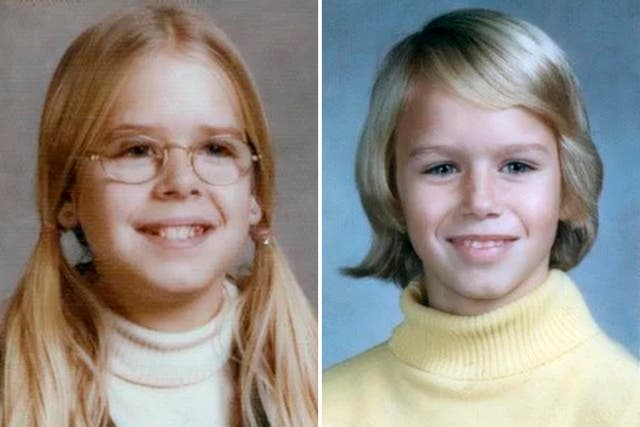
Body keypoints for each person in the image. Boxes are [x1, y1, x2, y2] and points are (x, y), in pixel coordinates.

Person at [0, 6, 316, 427]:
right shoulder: (11, 384)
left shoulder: (319, 376)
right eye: (136, 150)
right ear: (67, 191)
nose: (181, 182)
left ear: (254, 192)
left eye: (216, 149)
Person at [323, 8, 639, 426]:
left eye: (517, 167)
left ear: (569, 189)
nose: (480, 201)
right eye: (442, 168)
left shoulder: (624, 404)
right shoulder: (325, 405)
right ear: (393, 192)